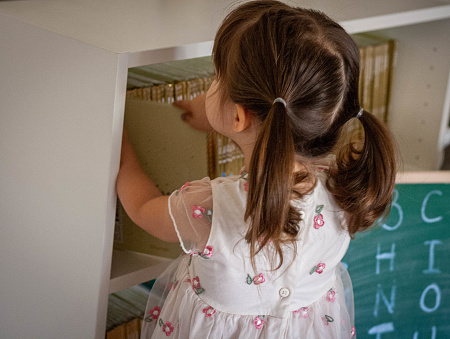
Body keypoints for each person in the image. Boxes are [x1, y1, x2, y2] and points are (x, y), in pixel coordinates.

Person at [116, 1, 397, 338]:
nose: (212, 85)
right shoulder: (345, 191)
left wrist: (122, 151)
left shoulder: (208, 208)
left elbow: (142, 207)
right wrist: (215, 115)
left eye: (217, 77)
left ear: (239, 116)